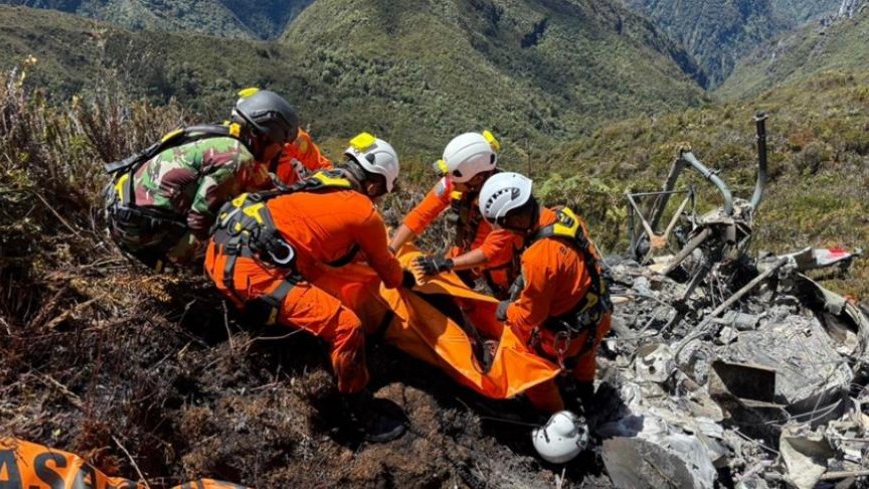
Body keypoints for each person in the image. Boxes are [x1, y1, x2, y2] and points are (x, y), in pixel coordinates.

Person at [205, 132, 414, 442]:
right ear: (373, 186)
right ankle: (359, 410)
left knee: (315, 279)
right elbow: (391, 276)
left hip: (223, 250)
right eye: (381, 191)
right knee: (347, 327)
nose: (378, 198)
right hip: (249, 274)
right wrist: (405, 277)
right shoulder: (363, 212)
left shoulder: (320, 180)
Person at [104, 88, 330, 270]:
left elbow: (260, 181)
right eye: (279, 144)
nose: (280, 150)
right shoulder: (237, 158)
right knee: (241, 248)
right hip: (137, 230)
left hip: (124, 208)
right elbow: (199, 223)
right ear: (260, 136)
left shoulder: (221, 135)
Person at [477, 172, 612, 412]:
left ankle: (555, 417)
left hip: (567, 337)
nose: (506, 231)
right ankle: (586, 394)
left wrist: (506, 310)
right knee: (585, 355)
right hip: (597, 317)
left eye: (504, 225)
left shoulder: (537, 258)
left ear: (515, 218)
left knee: (521, 355)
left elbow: (530, 317)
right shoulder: (564, 215)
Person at [388, 131, 521, 298]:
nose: (452, 184)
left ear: (477, 179)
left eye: (457, 181)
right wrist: (391, 250)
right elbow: (421, 214)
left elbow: (490, 252)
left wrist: (447, 264)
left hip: (499, 269)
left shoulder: (506, 203)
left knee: (503, 308)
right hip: (462, 255)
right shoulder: (457, 181)